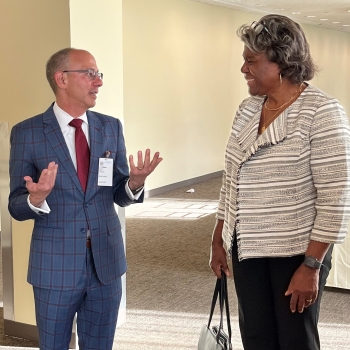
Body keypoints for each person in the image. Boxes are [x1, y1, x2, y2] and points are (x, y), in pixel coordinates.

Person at [210, 14, 350, 350]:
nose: (244, 69)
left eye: (251, 61)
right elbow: (232, 179)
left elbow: (335, 197)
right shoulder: (247, 109)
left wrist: (312, 265)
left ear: (282, 63)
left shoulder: (322, 112)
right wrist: (219, 237)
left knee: (294, 340)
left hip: (296, 252)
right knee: (256, 337)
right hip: (248, 247)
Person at [8, 47, 162, 350]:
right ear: (61, 79)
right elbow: (15, 204)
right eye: (89, 73)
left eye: (98, 74)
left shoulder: (110, 127)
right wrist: (36, 198)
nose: (98, 82)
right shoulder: (27, 133)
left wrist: (134, 183)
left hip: (105, 262)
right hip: (54, 267)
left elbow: (118, 192)